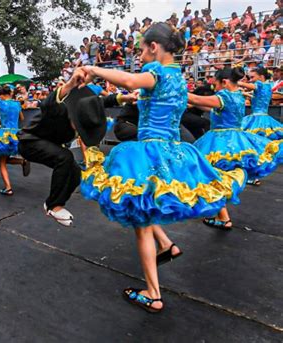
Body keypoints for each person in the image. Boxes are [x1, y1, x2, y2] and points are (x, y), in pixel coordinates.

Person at [78, 22, 246, 313]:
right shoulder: (179, 78)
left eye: (142, 49)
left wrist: (94, 69)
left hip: (149, 151)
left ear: (154, 47)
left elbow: (130, 80)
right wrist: (138, 99)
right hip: (173, 151)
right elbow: (151, 97)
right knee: (145, 207)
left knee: (141, 221)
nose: (140, 54)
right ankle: (166, 246)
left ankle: (153, 293)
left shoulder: (156, 71)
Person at [18, 71, 132, 227]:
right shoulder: (60, 110)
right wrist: (70, 83)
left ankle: (52, 203)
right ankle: (55, 206)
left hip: (48, 143)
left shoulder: (85, 109)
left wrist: (122, 98)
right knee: (64, 157)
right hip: (30, 142)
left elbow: (100, 102)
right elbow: (49, 103)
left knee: (76, 172)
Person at [189, 67, 281, 229]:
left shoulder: (224, 96)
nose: (215, 89)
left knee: (213, 175)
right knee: (219, 175)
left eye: (215, 85)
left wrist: (173, 91)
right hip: (236, 140)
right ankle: (222, 215)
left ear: (224, 82)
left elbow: (198, 99)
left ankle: (223, 217)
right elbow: (211, 107)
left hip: (220, 142)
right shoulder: (238, 96)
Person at [239, 67, 283, 140]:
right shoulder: (268, 86)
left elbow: (251, 86)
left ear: (261, 76)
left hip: (257, 118)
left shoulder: (260, 85)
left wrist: (236, 82)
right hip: (265, 116)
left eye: (252, 77)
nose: (250, 80)